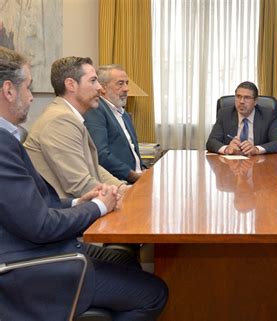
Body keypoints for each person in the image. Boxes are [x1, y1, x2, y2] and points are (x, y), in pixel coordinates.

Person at [0, 47, 167, 321]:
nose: (32, 96)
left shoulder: (10, 137)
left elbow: (35, 206)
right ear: (8, 90)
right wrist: (100, 206)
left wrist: (81, 202)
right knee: (154, 292)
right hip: (32, 268)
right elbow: (40, 225)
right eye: (28, 87)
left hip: (42, 246)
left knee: (126, 262)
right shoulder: (16, 138)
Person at [24, 56, 126, 198]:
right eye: (93, 81)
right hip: (66, 212)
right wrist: (119, 196)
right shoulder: (60, 120)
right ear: (71, 84)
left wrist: (122, 188)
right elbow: (81, 185)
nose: (99, 87)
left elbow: (93, 167)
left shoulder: (68, 115)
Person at [84, 64, 145, 183]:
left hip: (137, 179)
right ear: (103, 87)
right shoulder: (96, 110)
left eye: (127, 83)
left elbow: (132, 151)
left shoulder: (124, 113)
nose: (126, 88)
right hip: (118, 183)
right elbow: (101, 155)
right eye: (120, 83)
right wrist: (133, 175)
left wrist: (144, 171)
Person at [206, 81, 277, 155]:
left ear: (255, 101)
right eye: (238, 96)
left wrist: (257, 149)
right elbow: (211, 142)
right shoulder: (225, 114)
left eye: (247, 98)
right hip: (230, 163)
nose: (241, 101)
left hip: (258, 162)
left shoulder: (268, 115)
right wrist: (227, 149)